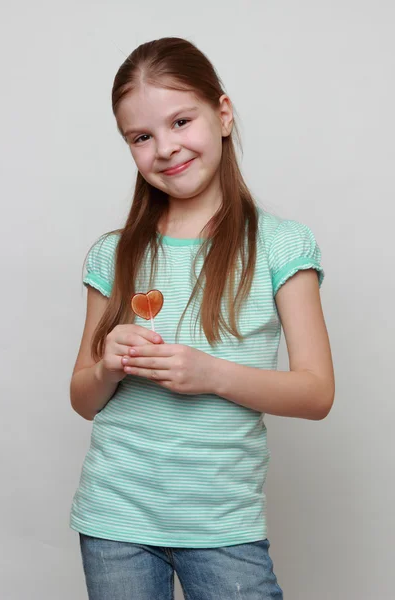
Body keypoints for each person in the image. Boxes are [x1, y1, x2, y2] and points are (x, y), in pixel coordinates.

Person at [69, 36, 335, 600]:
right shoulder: (112, 254)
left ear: (223, 114)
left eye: (181, 121)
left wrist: (210, 374)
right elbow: (82, 397)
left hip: (222, 524)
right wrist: (108, 368)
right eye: (142, 137)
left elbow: (316, 393)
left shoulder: (281, 246)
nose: (165, 148)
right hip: (114, 516)